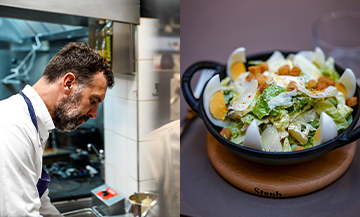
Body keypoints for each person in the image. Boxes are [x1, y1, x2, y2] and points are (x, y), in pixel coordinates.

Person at [0, 42, 114, 216]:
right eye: (93, 100)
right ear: (68, 83)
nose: (94, 114)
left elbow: (42, 205)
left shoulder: (34, 124)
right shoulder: (14, 128)